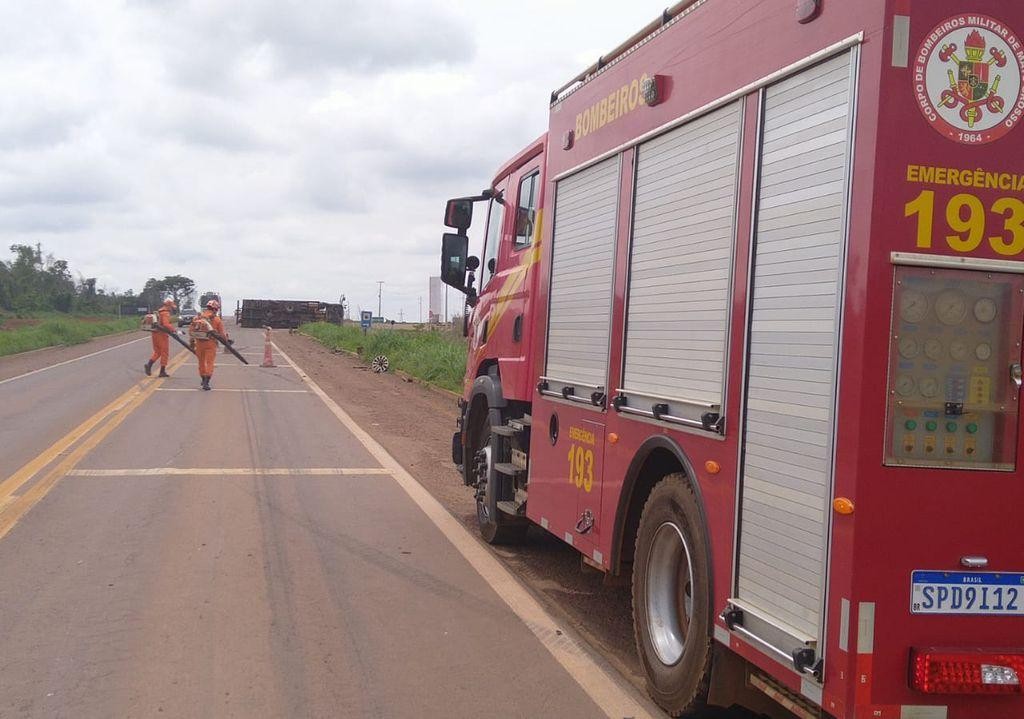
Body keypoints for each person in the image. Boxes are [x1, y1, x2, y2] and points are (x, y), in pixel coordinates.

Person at [192, 299, 228, 391]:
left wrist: (192, 342)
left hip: (199, 343)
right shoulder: (216, 319)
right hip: (210, 343)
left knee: (201, 362)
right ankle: (206, 382)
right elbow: (222, 334)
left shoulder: (198, 317)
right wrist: (226, 341)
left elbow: (191, 331)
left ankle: (203, 378)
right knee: (210, 363)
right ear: (215, 309)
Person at [144, 298, 176, 378]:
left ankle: (149, 365)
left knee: (157, 352)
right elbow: (166, 324)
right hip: (161, 335)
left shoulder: (159, 312)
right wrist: (173, 330)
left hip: (155, 333)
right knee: (164, 352)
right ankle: (162, 371)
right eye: (171, 306)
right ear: (168, 306)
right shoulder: (165, 313)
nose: (171, 308)